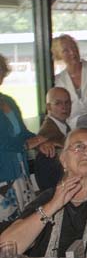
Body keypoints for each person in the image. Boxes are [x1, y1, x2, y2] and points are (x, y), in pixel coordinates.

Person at [1, 129, 87, 258]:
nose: (86, 151)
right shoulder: (50, 198)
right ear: (63, 160)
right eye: (78, 147)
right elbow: (7, 248)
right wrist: (52, 206)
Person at [0, 54, 54, 223]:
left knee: (24, 224)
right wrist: (27, 144)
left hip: (20, 175)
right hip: (3, 178)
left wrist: (40, 141)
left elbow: (22, 132)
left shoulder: (8, 100)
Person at [34, 87, 72, 190]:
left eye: (67, 102)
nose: (64, 107)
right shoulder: (47, 135)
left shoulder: (63, 127)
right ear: (48, 107)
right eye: (58, 103)